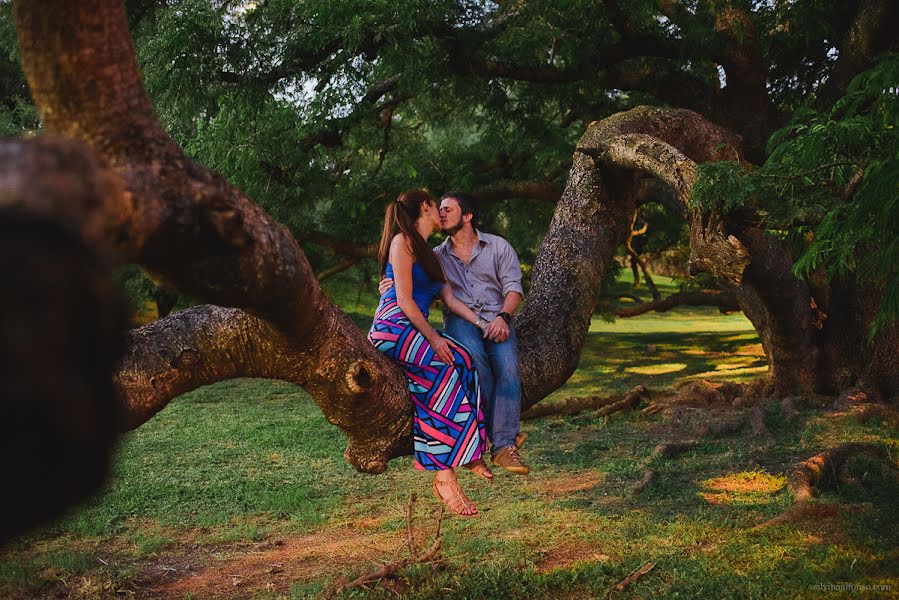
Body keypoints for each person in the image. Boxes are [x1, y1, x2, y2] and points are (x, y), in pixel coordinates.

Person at [380, 191, 530, 475]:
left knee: (509, 369)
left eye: (448, 208)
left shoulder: (497, 246)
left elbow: (512, 288)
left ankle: (502, 445)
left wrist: (499, 319)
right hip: (445, 321)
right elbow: (412, 290)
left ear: (468, 215)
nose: (443, 213)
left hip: (496, 317)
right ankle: (483, 442)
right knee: (472, 362)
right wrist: (391, 286)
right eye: (440, 208)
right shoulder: (432, 253)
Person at [368, 189, 493, 517]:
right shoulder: (401, 242)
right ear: (424, 208)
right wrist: (435, 340)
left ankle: (470, 451)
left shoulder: (430, 255)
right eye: (436, 206)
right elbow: (404, 301)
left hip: (415, 326)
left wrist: (484, 323)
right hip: (394, 326)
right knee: (441, 373)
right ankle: (444, 476)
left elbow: (450, 300)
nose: (441, 211)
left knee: (465, 361)